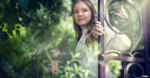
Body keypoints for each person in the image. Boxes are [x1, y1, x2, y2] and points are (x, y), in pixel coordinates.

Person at [72, 0, 131, 78]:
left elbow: (127, 44)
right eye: (75, 11)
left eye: (84, 10)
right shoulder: (80, 37)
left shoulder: (100, 28)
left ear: (92, 13)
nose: (79, 14)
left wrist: (104, 33)